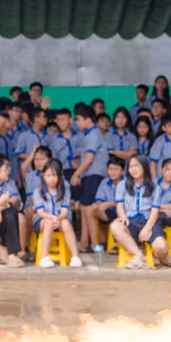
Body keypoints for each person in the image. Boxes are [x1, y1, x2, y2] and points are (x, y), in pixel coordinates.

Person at [109, 154, 171, 269]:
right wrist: (122, 216)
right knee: (115, 226)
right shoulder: (122, 185)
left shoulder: (154, 186)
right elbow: (119, 205)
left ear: (144, 166)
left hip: (149, 220)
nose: (133, 169)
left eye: (137, 166)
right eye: (131, 166)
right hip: (130, 221)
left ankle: (164, 258)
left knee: (161, 246)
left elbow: (155, 211)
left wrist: (147, 228)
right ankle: (139, 255)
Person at [72, 105, 108, 252]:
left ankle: (94, 244)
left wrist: (76, 173)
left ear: (87, 119)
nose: (77, 123)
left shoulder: (93, 134)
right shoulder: (89, 134)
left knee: (89, 209)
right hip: (90, 175)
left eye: (78, 119)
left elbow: (88, 159)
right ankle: (86, 243)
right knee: (85, 208)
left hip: (94, 175)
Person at [34, 159, 82, 268]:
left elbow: (64, 211)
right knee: (48, 222)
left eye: (55, 175)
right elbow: (40, 212)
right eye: (48, 175)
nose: (52, 178)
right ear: (43, 175)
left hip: (60, 219)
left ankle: (75, 257)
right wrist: (52, 217)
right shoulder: (38, 191)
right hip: (43, 220)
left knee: (66, 223)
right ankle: (44, 257)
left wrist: (58, 218)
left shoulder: (64, 190)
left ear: (60, 176)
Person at [93, 156, 125, 241]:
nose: (113, 172)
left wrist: (108, 204)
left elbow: (128, 203)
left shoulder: (126, 183)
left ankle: (118, 243)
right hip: (110, 212)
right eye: (110, 169)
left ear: (122, 171)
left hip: (124, 213)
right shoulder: (104, 182)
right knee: (91, 211)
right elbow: (99, 200)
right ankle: (95, 244)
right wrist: (97, 204)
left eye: (116, 169)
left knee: (119, 211)